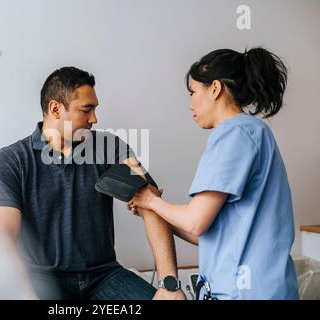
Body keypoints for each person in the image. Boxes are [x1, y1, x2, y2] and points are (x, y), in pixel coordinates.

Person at [0, 66, 185, 300]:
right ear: (55, 109)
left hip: (105, 276)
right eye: (86, 110)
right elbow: (0, 234)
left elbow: (152, 205)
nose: (94, 119)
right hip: (42, 278)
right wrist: (23, 292)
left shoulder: (110, 148)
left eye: (95, 109)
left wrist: (169, 283)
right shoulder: (10, 161)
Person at [128, 48, 299, 299]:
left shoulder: (235, 134)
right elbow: (210, 235)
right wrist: (154, 210)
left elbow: (195, 221)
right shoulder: (252, 131)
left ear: (215, 88)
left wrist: (152, 201)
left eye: (193, 92)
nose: (191, 104)